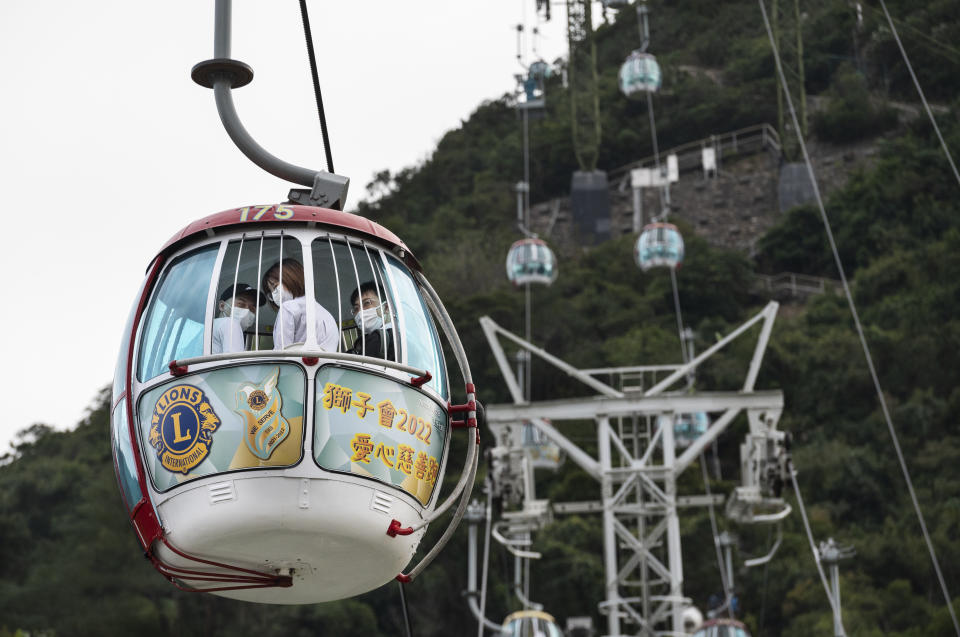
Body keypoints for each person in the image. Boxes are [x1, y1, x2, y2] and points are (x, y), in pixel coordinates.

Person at [262, 259, 338, 351]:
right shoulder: (327, 315)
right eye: (271, 293)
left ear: (291, 277)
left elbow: (281, 352)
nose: (274, 295)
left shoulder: (288, 308)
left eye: (275, 287)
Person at [347, 281, 394, 360]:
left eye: (367, 303)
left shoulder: (381, 339)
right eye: (356, 308)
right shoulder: (365, 341)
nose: (360, 312)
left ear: (386, 308)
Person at [212, 283, 264, 354]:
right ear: (222, 306)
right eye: (241, 304)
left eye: (252, 309)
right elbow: (233, 362)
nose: (247, 311)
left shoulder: (210, 327)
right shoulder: (230, 323)